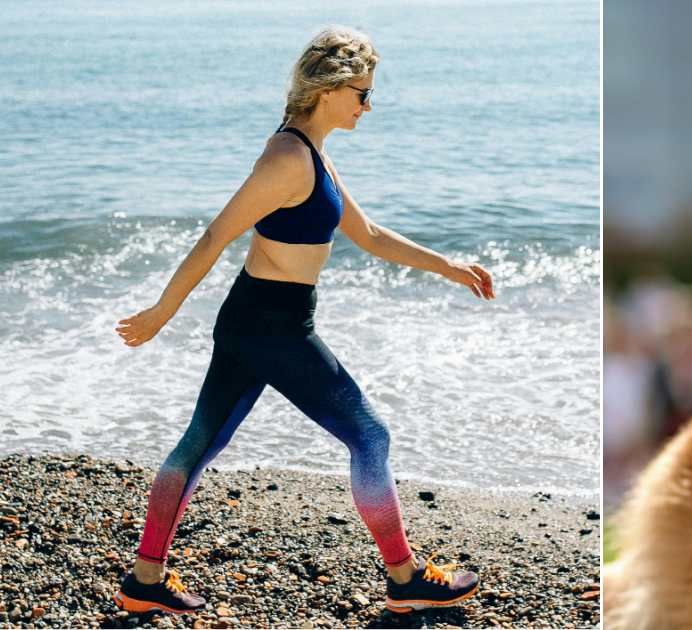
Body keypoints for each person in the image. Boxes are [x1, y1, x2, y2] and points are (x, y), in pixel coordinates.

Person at [111, 26, 494, 616]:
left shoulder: (314, 153)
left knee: (199, 445)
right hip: (272, 327)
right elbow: (217, 233)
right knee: (370, 435)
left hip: (260, 320)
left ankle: (143, 582)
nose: (369, 105)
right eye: (362, 94)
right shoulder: (288, 159)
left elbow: (367, 236)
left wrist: (447, 265)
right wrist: (163, 311)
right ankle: (404, 578)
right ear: (331, 89)